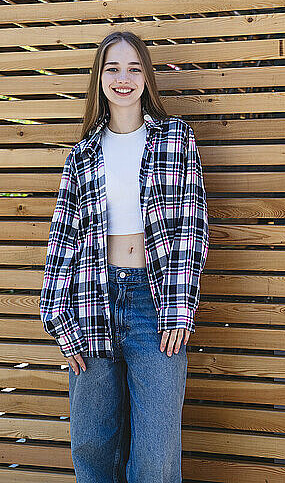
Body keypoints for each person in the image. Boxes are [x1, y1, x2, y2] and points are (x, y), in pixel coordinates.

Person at [39, 30, 209, 483]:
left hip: (154, 304)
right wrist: (57, 315)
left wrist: (179, 309)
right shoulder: (83, 155)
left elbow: (192, 225)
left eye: (134, 68)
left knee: (155, 458)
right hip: (92, 301)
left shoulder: (175, 138)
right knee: (93, 446)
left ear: (147, 78)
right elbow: (63, 238)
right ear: (99, 79)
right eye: (112, 68)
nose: (123, 78)